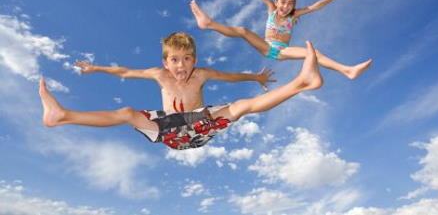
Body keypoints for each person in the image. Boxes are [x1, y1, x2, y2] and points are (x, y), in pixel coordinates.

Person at [39, 32, 323, 150]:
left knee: (241, 106)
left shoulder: (202, 74)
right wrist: (96, 68)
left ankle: (302, 82)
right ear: (166, 61)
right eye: (174, 60)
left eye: (186, 59)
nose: (181, 65)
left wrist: (256, 76)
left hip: (200, 125)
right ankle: (61, 115)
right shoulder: (158, 74)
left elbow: (231, 76)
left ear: (194, 60)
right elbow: (125, 71)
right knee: (127, 113)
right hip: (170, 132)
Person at [190, 0, 372, 80]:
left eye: (290, 3)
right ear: (277, 2)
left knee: (313, 53)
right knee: (243, 31)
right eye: (283, 2)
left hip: (283, 51)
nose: (286, 6)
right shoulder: (271, 9)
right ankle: (208, 23)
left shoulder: (294, 15)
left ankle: (347, 70)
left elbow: (316, 6)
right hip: (266, 46)